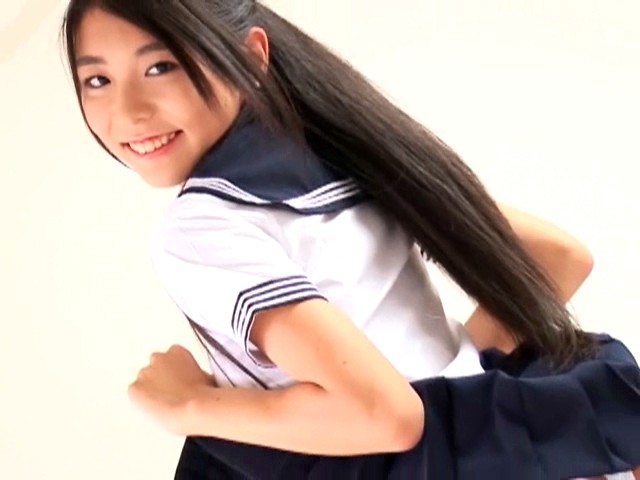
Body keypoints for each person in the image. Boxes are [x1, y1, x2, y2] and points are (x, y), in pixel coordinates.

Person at [60, 1, 640, 478]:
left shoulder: (201, 226)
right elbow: (560, 259)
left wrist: (188, 404)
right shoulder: (342, 151)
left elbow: (389, 418)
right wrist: (456, 389)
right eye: (98, 80)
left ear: (251, 57)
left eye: (160, 67)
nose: (128, 111)